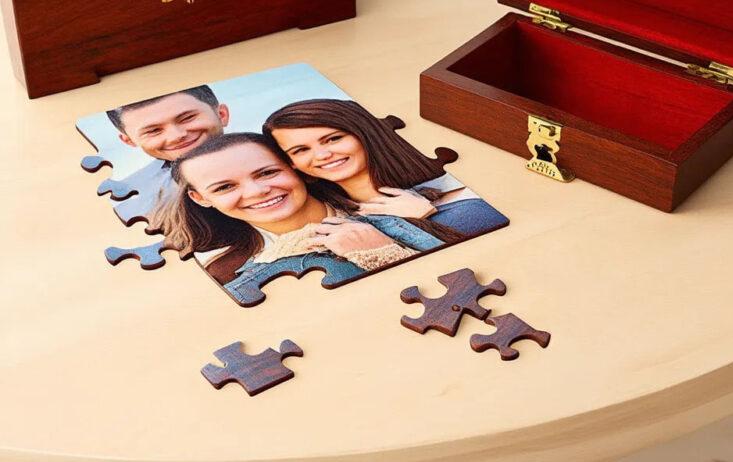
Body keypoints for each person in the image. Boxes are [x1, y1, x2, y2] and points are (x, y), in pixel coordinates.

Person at [154, 133, 451, 303]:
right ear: (201, 199)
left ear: (296, 168)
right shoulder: (227, 276)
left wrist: (389, 249)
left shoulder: (408, 205)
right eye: (225, 187)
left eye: (268, 172)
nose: (257, 191)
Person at [263, 99, 508, 236]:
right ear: (292, 164)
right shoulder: (337, 228)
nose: (323, 155)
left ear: (365, 133)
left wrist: (426, 219)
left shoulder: (467, 196)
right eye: (300, 150)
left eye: (334, 138)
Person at [104, 85, 230, 223]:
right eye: (153, 131)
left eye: (187, 118)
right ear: (129, 140)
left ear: (221, 114)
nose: (176, 136)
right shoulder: (128, 207)